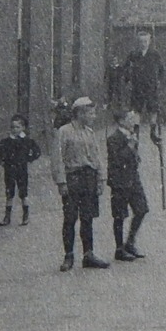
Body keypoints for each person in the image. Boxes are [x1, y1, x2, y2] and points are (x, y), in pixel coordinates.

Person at [52, 97, 110, 272]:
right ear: (79, 113)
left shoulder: (90, 133)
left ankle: (88, 254)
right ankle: (68, 255)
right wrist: (61, 181)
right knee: (70, 218)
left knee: (88, 217)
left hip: (89, 178)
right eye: (90, 113)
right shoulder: (64, 132)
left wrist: (101, 179)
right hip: (72, 178)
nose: (93, 116)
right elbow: (57, 159)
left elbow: (96, 156)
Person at [105, 109, 151, 262]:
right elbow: (117, 160)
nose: (134, 122)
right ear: (121, 121)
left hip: (133, 179)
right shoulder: (113, 139)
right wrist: (130, 147)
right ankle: (119, 248)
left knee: (142, 209)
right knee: (120, 215)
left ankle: (130, 241)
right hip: (119, 181)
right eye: (130, 119)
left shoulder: (132, 135)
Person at [0, 115, 43, 226]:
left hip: (21, 169)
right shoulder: (6, 141)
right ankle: (7, 217)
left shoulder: (27, 141)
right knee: (9, 192)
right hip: (9, 170)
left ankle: (25, 215)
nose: (14, 130)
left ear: (22, 128)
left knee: (23, 192)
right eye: (12, 127)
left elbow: (37, 151)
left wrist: (29, 159)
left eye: (17, 127)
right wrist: (2, 162)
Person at [118, 28, 165, 136]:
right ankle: (136, 131)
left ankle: (153, 130)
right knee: (136, 110)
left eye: (145, 41)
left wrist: (159, 81)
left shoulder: (154, 54)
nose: (143, 44)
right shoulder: (133, 54)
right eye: (141, 41)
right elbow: (125, 68)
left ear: (149, 41)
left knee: (153, 109)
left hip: (150, 87)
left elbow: (162, 69)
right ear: (138, 42)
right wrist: (127, 79)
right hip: (137, 87)